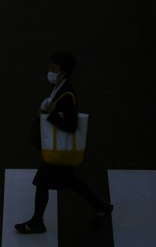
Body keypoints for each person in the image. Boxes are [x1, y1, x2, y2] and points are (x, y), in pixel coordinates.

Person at [15, 51, 113, 233]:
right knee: (71, 180)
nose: (50, 71)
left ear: (64, 72)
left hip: (57, 149)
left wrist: (50, 114)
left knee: (42, 183)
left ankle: (37, 222)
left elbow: (70, 125)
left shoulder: (67, 94)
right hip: (58, 149)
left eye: (54, 68)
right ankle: (101, 207)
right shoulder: (60, 86)